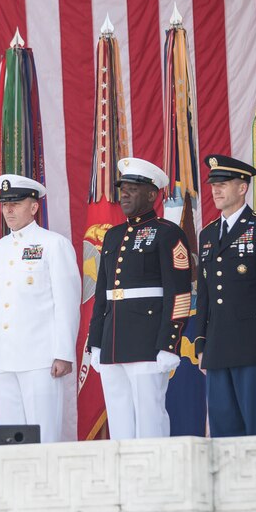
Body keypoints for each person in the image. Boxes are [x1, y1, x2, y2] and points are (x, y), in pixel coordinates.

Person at [86, 158, 192, 439]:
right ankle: (125, 477)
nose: (124, 195)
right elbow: (102, 296)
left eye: (133, 189)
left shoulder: (168, 233)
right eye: (123, 188)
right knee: (119, 418)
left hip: (148, 341)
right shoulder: (113, 236)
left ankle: (156, 474)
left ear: (152, 194)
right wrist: (95, 341)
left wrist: (169, 343)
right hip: (113, 341)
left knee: (149, 415)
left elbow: (179, 293)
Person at [191, 154, 256, 437]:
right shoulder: (208, 234)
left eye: (224, 183)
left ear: (243, 187)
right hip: (217, 349)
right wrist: (201, 344)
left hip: (254, 348)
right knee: (224, 432)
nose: (216, 189)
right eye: (213, 184)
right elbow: (205, 295)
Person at [0, 174, 80, 442]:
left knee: (43, 435)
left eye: (16, 203)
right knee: (10, 439)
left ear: (34, 207)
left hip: (41, 359)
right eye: (4, 204)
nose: (8, 210)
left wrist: (63, 352)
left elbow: (66, 303)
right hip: (4, 361)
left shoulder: (53, 244)